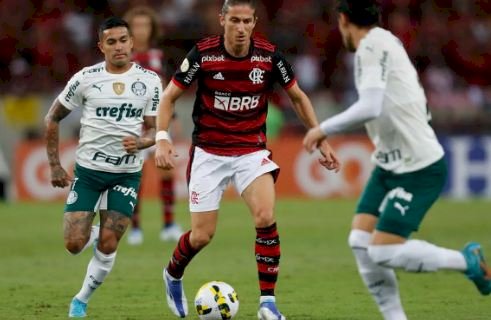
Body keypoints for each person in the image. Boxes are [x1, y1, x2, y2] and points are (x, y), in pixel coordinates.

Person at [303, 1, 491, 319]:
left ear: (345, 20)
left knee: (382, 250)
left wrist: (322, 128)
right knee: (360, 242)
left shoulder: (371, 48)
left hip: (418, 167)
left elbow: (371, 106)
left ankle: (467, 262)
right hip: (390, 163)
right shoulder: (385, 40)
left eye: (339, 23)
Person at [154, 0, 340, 319]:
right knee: (202, 235)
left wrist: (319, 135)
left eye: (247, 21)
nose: (241, 28)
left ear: (254, 23)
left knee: (265, 216)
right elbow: (170, 96)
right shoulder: (203, 54)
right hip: (209, 154)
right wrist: (162, 137)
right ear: (222, 20)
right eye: (235, 20)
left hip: (251, 151)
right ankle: (172, 274)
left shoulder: (268, 56)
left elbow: (297, 96)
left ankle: (267, 303)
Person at [44, 17, 162, 318]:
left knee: (109, 244)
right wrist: (55, 165)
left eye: (123, 40)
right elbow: (52, 117)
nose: (119, 46)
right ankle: (100, 230)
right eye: (111, 42)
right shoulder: (86, 78)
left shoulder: (149, 81)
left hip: (126, 173)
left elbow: (154, 130)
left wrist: (142, 142)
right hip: (88, 174)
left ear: (131, 42)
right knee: (73, 244)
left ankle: (80, 300)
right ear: (101, 46)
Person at [123, 6, 183, 245]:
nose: (141, 31)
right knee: (134, 176)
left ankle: (168, 224)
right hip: (131, 124)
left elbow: (165, 90)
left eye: (145, 26)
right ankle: (135, 228)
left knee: (165, 169)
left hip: (157, 122)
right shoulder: (121, 56)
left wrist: (174, 118)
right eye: (136, 26)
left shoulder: (157, 55)